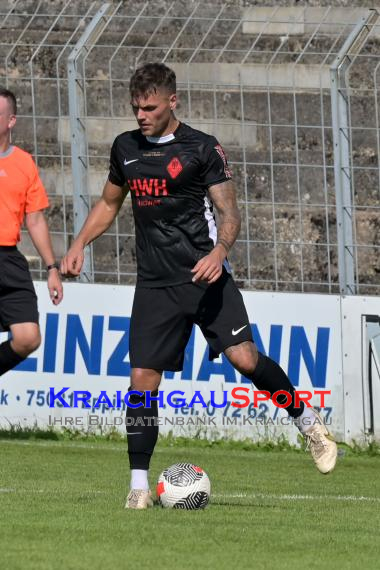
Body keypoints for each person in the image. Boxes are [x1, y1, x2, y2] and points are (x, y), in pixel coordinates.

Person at [60, 63, 337, 509]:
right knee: (142, 382)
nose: (141, 115)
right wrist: (78, 245)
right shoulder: (125, 148)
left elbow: (229, 213)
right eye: (135, 107)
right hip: (155, 283)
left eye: (149, 107)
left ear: (173, 101)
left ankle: (307, 422)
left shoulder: (202, 148)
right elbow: (109, 204)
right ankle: (137, 486)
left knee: (245, 360)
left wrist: (219, 253)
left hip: (205, 276)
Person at [0, 87, 63, 376]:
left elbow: (35, 219)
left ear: (11, 120)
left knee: (28, 338)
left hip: (9, 260)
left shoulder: (24, 163)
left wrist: (52, 268)